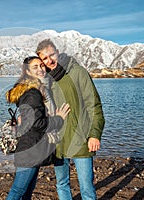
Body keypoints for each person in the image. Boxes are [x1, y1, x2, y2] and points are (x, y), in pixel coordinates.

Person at [36, 39, 105, 200]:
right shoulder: (45, 80)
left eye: (51, 55)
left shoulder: (78, 72)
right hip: (58, 141)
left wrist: (94, 134)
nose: (50, 60)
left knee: (86, 187)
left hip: (80, 138)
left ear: (58, 52)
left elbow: (94, 105)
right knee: (61, 184)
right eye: (44, 58)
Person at [6, 56, 70, 200]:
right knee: (18, 191)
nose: (41, 69)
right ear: (27, 71)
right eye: (35, 67)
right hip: (31, 149)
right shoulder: (33, 93)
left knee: (26, 191)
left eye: (41, 65)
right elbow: (37, 123)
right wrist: (59, 119)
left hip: (32, 147)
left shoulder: (34, 90)